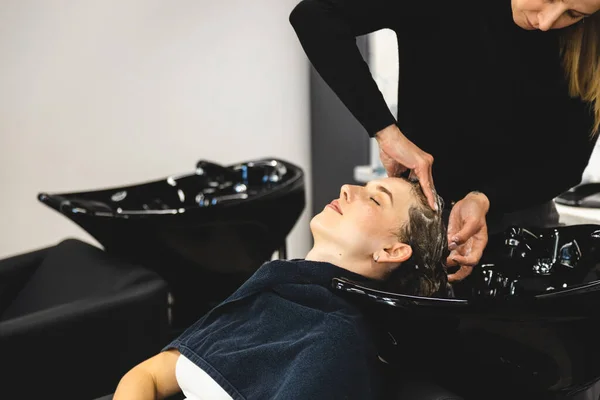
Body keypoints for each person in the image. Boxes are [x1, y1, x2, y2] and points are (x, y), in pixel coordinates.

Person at [289, 0, 600, 282]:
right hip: (420, 214)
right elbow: (315, 16)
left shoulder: (591, 44)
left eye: (574, 14)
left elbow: (567, 163)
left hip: (524, 215)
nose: (546, 21)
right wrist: (386, 131)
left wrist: (486, 198)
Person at [112, 177, 448, 400]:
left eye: (375, 200)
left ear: (391, 252)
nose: (348, 188)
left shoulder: (335, 344)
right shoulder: (276, 286)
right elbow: (148, 376)